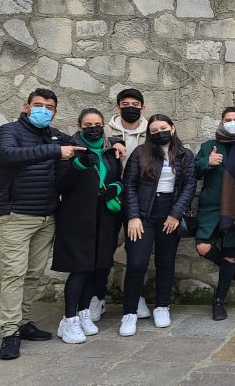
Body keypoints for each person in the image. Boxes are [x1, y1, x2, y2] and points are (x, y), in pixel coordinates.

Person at [0, 88, 85, 359]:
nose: (43, 110)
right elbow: (9, 155)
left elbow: (84, 144)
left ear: (55, 112)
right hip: (15, 215)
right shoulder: (8, 131)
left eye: (49, 107)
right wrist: (56, 151)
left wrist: (112, 142)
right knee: (14, 274)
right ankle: (9, 332)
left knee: (34, 273)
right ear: (26, 106)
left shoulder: (53, 134)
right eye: (38, 105)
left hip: (46, 216)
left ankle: (22, 322)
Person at [120, 114, 196, 336]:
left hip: (169, 213)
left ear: (172, 128)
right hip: (142, 214)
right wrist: (133, 215)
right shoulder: (140, 153)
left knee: (166, 262)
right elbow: (129, 185)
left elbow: (189, 186)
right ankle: (130, 312)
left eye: (163, 128)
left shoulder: (184, 154)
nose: (159, 132)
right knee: (136, 263)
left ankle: (162, 306)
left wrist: (175, 214)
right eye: (154, 130)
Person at [53, 109, 124, 343]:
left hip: (104, 216)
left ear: (104, 125)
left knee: (97, 266)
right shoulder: (70, 149)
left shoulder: (111, 151)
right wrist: (79, 165)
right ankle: (68, 319)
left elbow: (119, 179)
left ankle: (84, 312)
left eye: (97, 124)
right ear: (80, 125)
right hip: (77, 217)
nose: (93, 128)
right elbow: (61, 184)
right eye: (88, 124)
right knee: (80, 268)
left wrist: (115, 189)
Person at [92, 88, 150, 322]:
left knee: (136, 251)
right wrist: (110, 144)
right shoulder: (105, 131)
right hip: (110, 198)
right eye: (125, 103)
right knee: (103, 250)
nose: (130, 107)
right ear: (118, 107)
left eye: (135, 103)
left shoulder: (151, 132)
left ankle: (135, 296)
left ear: (142, 107)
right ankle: (97, 296)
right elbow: (89, 148)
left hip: (139, 198)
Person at [193, 107, 235, 321]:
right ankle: (231, 268)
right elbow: (194, 170)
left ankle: (219, 301)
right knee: (203, 247)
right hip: (211, 207)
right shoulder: (209, 146)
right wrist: (206, 163)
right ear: (221, 121)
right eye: (228, 119)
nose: (233, 122)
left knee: (230, 253)